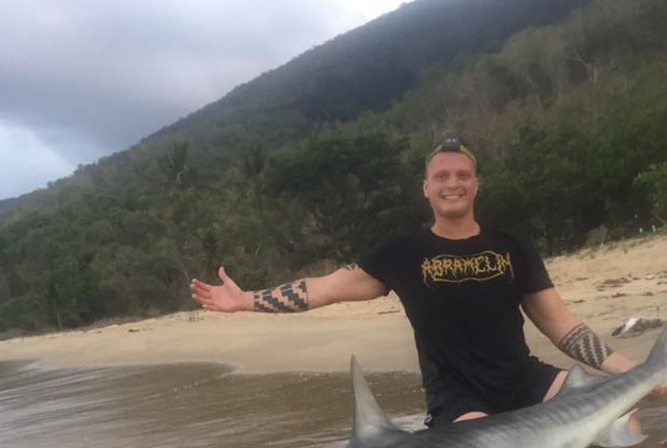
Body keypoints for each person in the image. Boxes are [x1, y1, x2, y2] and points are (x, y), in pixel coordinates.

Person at [190, 133, 641, 426]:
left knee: (627, 423)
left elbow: (562, 325)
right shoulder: (401, 255)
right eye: (441, 176)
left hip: (525, 381)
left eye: (462, 175)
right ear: (425, 188)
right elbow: (323, 288)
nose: (453, 183)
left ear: (476, 184)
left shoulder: (512, 248)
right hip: (460, 401)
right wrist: (246, 299)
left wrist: (631, 372)